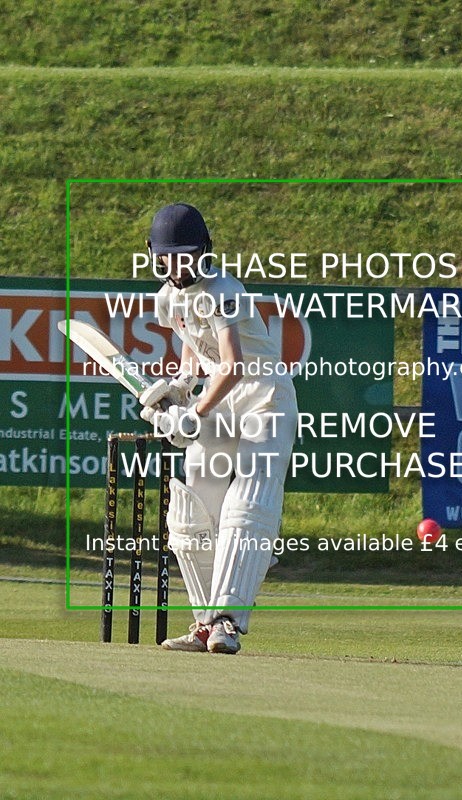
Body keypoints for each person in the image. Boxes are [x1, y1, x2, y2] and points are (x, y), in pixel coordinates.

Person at [139, 203, 298, 654]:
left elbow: (232, 364)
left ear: (203, 251)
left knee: (245, 509)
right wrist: (182, 388)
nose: (178, 264)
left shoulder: (223, 289)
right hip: (219, 400)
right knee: (193, 511)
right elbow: (195, 349)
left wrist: (194, 412)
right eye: (169, 256)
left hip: (264, 397)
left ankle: (227, 622)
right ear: (153, 254)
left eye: (186, 254)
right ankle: (203, 624)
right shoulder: (168, 298)